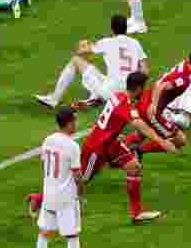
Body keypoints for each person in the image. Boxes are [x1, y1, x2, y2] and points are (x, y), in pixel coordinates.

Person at [30, 72, 175, 224]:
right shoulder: (124, 104)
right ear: (138, 88)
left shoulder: (118, 96)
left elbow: (103, 105)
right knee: (75, 184)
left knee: (134, 167)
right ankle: (38, 199)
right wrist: (163, 142)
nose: (144, 91)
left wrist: (87, 104)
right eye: (144, 88)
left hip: (111, 143)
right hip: (97, 148)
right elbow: (140, 125)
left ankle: (136, 214)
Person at [35, 14, 149, 109]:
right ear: (126, 28)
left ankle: (54, 99)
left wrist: (83, 43)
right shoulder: (135, 43)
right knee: (100, 73)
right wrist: (137, 94)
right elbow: (145, 71)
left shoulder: (107, 42)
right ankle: (97, 96)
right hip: (129, 92)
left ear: (112, 29)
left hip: (109, 92)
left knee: (75, 61)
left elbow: (81, 52)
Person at [35, 107, 92, 248]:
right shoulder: (73, 146)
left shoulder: (48, 139)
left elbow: (43, 163)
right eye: (74, 120)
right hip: (66, 198)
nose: (76, 123)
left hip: (49, 195)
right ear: (68, 123)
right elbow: (77, 176)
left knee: (44, 233)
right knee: (72, 236)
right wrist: (82, 196)